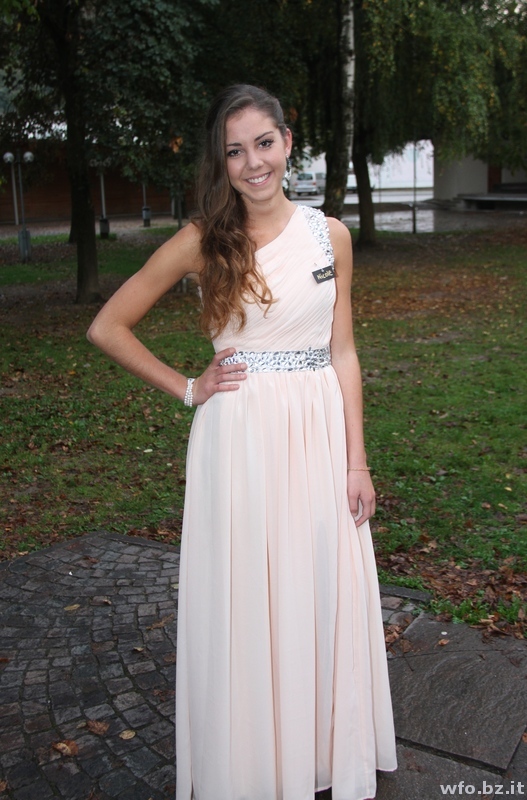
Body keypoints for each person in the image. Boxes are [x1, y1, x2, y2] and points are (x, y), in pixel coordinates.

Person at [88, 84, 397, 800]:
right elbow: (108, 326)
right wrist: (187, 387)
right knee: (250, 594)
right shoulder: (203, 239)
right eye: (235, 151)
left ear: (287, 142)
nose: (252, 163)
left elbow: (343, 351)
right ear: (221, 162)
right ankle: (254, 762)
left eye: (263, 143)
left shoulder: (331, 235)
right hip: (241, 440)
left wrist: (356, 460)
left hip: (319, 433)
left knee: (316, 583)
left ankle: (318, 753)